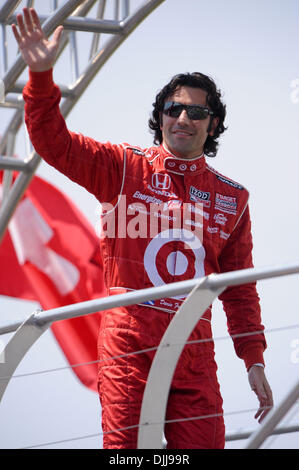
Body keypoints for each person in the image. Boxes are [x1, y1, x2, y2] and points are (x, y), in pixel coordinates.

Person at [12, 8, 273, 449]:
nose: (183, 118)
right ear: (161, 117)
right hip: (129, 344)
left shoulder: (234, 198)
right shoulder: (122, 167)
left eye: (196, 111)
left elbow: (241, 290)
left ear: (212, 125)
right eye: (174, 109)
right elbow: (52, 142)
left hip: (195, 355)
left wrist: (254, 359)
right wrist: (40, 77)